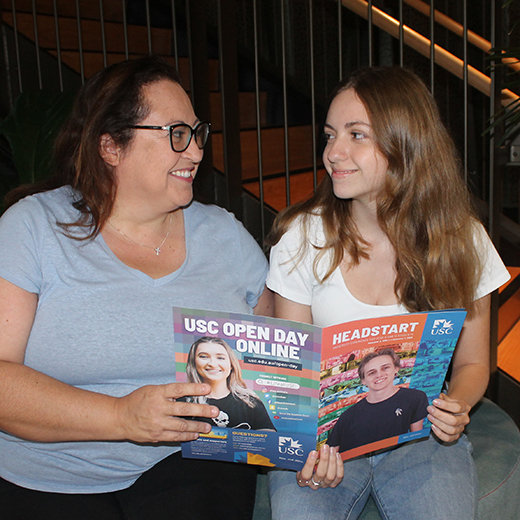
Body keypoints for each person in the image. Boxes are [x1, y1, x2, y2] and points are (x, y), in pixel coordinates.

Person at [0, 56, 273, 520]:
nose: (196, 152)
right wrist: (121, 417)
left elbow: (278, 364)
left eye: (196, 133)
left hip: (192, 465)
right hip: (51, 474)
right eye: (176, 134)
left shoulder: (225, 236)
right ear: (111, 147)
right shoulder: (33, 227)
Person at [265, 66, 510, 520]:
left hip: (421, 435)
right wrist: (308, 442)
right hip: (327, 438)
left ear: (406, 144)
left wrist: (456, 405)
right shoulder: (304, 236)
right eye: (330, 134)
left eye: (357, 134)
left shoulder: (462, 239)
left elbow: (476, 363)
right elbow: (292, 375)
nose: (333, 153)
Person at [327, 348, 428, 452]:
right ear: (363, 380)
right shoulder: (348, 416)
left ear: (396, 368)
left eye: (385, 368)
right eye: (371, 373)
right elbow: (332, 450)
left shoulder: (415, 398)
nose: (379, 375)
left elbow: (416, 441)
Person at [184, 336, 276, 430]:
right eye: (204, 356)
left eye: (220, 358)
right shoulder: (185, 402)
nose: (212, 364)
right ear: (193, 363)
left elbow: (269, 436)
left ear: (231, 364)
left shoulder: (250, 402)